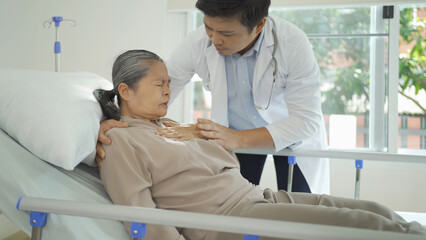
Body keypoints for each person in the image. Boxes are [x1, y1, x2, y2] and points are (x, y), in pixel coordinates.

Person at [94, 49, 425, 240]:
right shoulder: (118, 142)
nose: (168, 90)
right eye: (159, 83)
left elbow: (224, 164)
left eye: (169, 82)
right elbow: (139, 214)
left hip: (257, 196)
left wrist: (204, 134)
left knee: (373, 210)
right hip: (228, 219)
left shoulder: (171, 125)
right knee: (369, 228)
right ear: (125, 91)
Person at [97, 0, 329, 194]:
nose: (215, 39)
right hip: (233, 135)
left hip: (290, 136)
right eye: (209, 27)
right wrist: (116, 122)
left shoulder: (292, 43)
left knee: (301, 206)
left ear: (259, 25)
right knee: (239, 202)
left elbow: (306, 120)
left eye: (226, 33)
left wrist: (237, 138)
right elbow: (156, 94)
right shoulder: (198, 42)